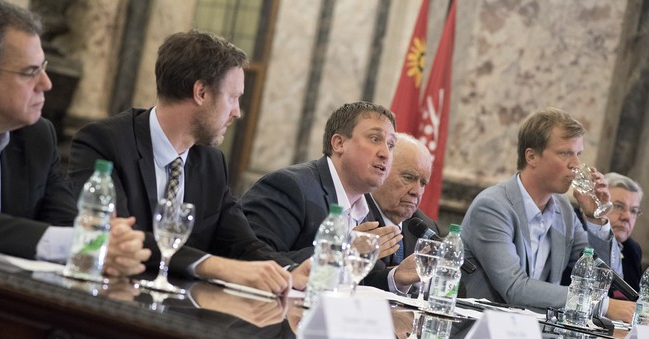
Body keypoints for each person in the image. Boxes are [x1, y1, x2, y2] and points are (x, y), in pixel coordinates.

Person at [69, 30, 308, 295]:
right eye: (233, 97)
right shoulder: (103, 142)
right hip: (110, 299)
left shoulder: (211, 162)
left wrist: (289, 271)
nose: (237, 112)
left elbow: (242, 243)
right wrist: (214, 266)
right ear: (201, 92)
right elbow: (123, 240)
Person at [0, 0, 148, 277]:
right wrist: (80, 243)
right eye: (30, 72)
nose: (46, 84)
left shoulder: (35, 136)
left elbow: (64, 223)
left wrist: (106, 242)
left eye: (43, 67)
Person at [460, 107, 634, 322]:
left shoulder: (564, 210)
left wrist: (596, 219)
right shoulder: (492, 207)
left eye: (578, 154)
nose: (576, 165)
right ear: (531, 156)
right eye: (565, 153)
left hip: (536, 337)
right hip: (480, 336)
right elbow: (515, 288)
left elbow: (606, 279)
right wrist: (602, 306)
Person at [240, 101, 402, 265]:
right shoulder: (290, 187)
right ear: (339, 143)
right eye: (374, 139)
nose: (386, 154)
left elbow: (361, 277)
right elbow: (254, 259)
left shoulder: (367, 209)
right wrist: (341, 251)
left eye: (391, 145)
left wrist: (395, 278)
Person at [364, 132, 441, 293]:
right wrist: (395, 278)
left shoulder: (425, 227)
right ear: (381, 170)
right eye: (408, 177)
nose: (417, 191)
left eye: (423, 183)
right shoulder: (357, 214)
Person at [604, 172, 644, 293]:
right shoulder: (579, 234)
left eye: (633, 211)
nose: (627, 216)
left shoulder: (632, 249)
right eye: (619, 206)